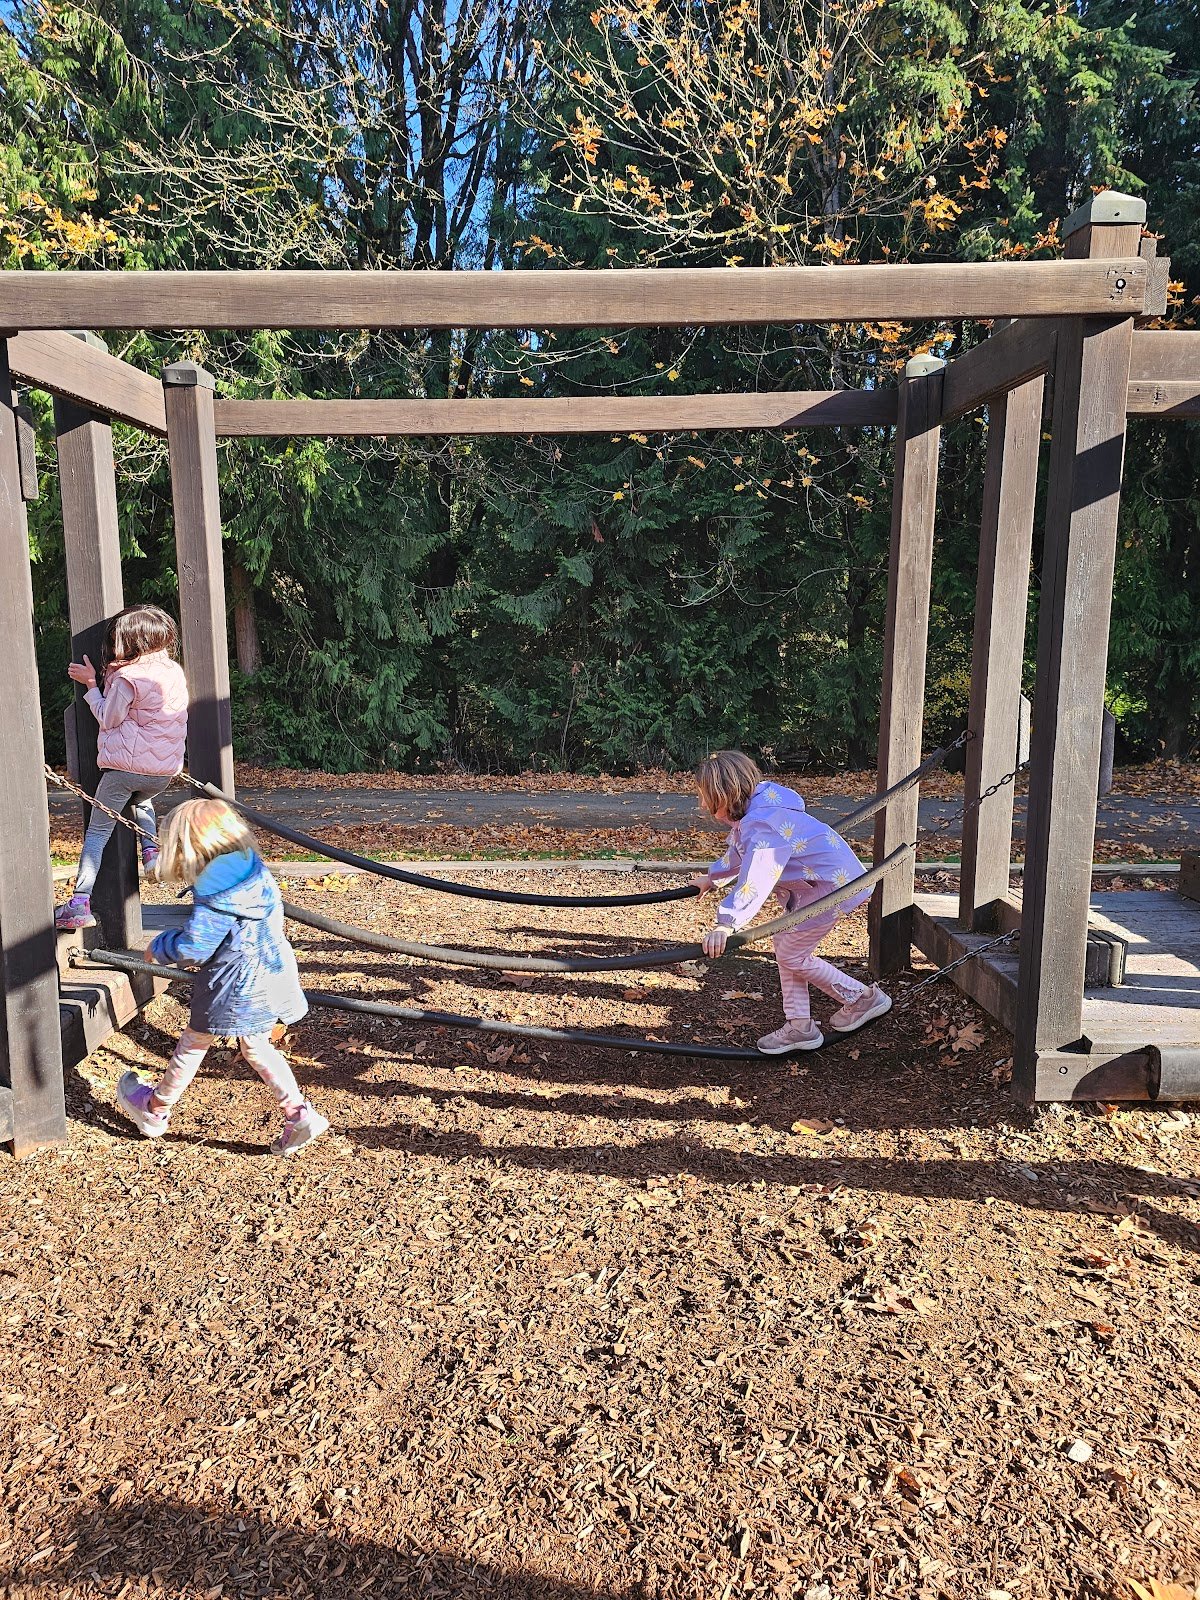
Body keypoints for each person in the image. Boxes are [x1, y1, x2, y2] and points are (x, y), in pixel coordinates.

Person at [115, 797, 329, 1156]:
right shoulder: (250, 867)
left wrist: (162, 946)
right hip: (269, 970)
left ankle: (155, 1109)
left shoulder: (216, 887)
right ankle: (298, 1114)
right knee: (257, 1046)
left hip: (233, 983)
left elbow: (197, 947)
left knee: (194, 1042)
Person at [692, 750, 891, 1054]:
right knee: (786, 946)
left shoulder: (762, 825)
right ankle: (799, 1026)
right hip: (826, 883)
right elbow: (741, 850)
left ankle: (862, 999)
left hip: (830, 887)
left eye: (706, 798)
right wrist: (713, 877)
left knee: (792, 954)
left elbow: (756, 877)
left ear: (725, 795)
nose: (704, 805)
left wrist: (726, 923)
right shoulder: (760, 809)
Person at [55, 604, 189, 930]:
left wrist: (91, 685)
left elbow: (108, 717)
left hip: (124, 770)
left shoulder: (130, 679)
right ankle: (151, 852)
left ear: (131, 641)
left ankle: (79, 902)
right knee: (141, 799)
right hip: (163, 772)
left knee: (97, 833)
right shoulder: (173, 671)